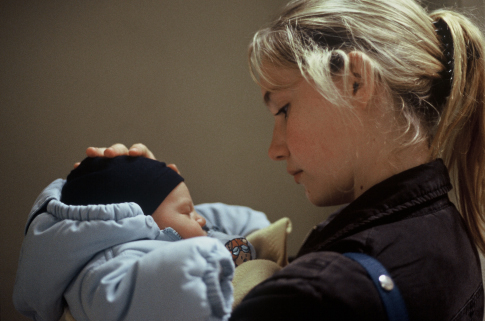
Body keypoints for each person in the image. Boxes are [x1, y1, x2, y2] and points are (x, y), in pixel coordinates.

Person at [84, 0, 485, 318]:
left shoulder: (314, 297)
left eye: (283, 109)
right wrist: (161, 212)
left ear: (356, 82)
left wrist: (108, 229)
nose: (274, 149)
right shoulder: (448, 234)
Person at [13, 156, 270, 321]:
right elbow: (117, 301)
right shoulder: (107, 265)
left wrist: (259, 231)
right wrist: (201, 263)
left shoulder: (179, 228)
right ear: (142, 221)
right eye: (186, 211)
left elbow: (244, 219)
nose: (199, 218)